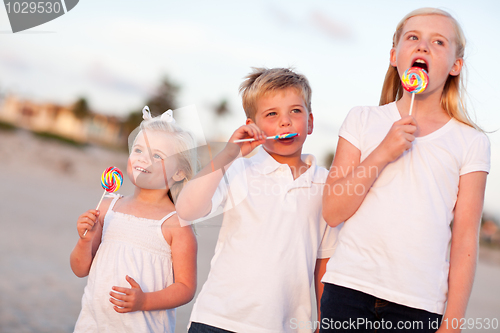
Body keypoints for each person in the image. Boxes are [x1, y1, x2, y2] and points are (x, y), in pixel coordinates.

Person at [320, 8, 490, 333]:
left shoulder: (471, 142)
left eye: (438, 41)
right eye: (413, 37)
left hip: (419, 305)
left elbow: (466, 239)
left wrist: (451, 325)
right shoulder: (362, 119)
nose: (423, 46)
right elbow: (332, 210)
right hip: (347, 290)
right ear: (394, 56)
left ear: (456, 65)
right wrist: (383, 152)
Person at [176, 67, 339, 333]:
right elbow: (186, 209)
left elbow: (325, 259)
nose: (285, 122)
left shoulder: (326, 184)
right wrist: (229, 154)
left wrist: (325, 319)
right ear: (253, 126)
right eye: (272, 114)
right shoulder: (240, 170)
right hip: (218, 319)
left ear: (310, 122)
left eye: (295, 111)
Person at [70, 107, 198, 332]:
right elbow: (80, 269)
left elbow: (186, 287)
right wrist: (84, 241)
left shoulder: (176, 225)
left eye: (157, 155)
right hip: (92, 325)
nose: (143, 158)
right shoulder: (109, 206)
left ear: (178, 172)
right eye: (138, 149)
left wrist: (144, 301)